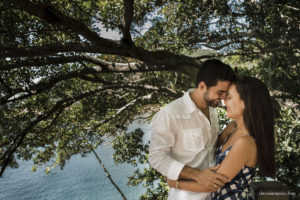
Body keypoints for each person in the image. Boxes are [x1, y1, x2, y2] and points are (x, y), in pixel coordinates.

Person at [167, 76, 276, 200]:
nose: (225, 102)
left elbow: (212, 184)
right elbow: (208, 147)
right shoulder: (232, 127)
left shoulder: (245, 143)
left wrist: (175, 183)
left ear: (245, 103)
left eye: (229, 97)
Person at [148, 59, 236, 200]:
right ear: (202, 86)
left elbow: (210, 145)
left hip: (214, 195)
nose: (224, 98)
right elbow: (156, 157)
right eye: (220, 92)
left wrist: (234, 126)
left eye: (225, 93)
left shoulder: (212, 109)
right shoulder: (170, 114)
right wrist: (197, 175)